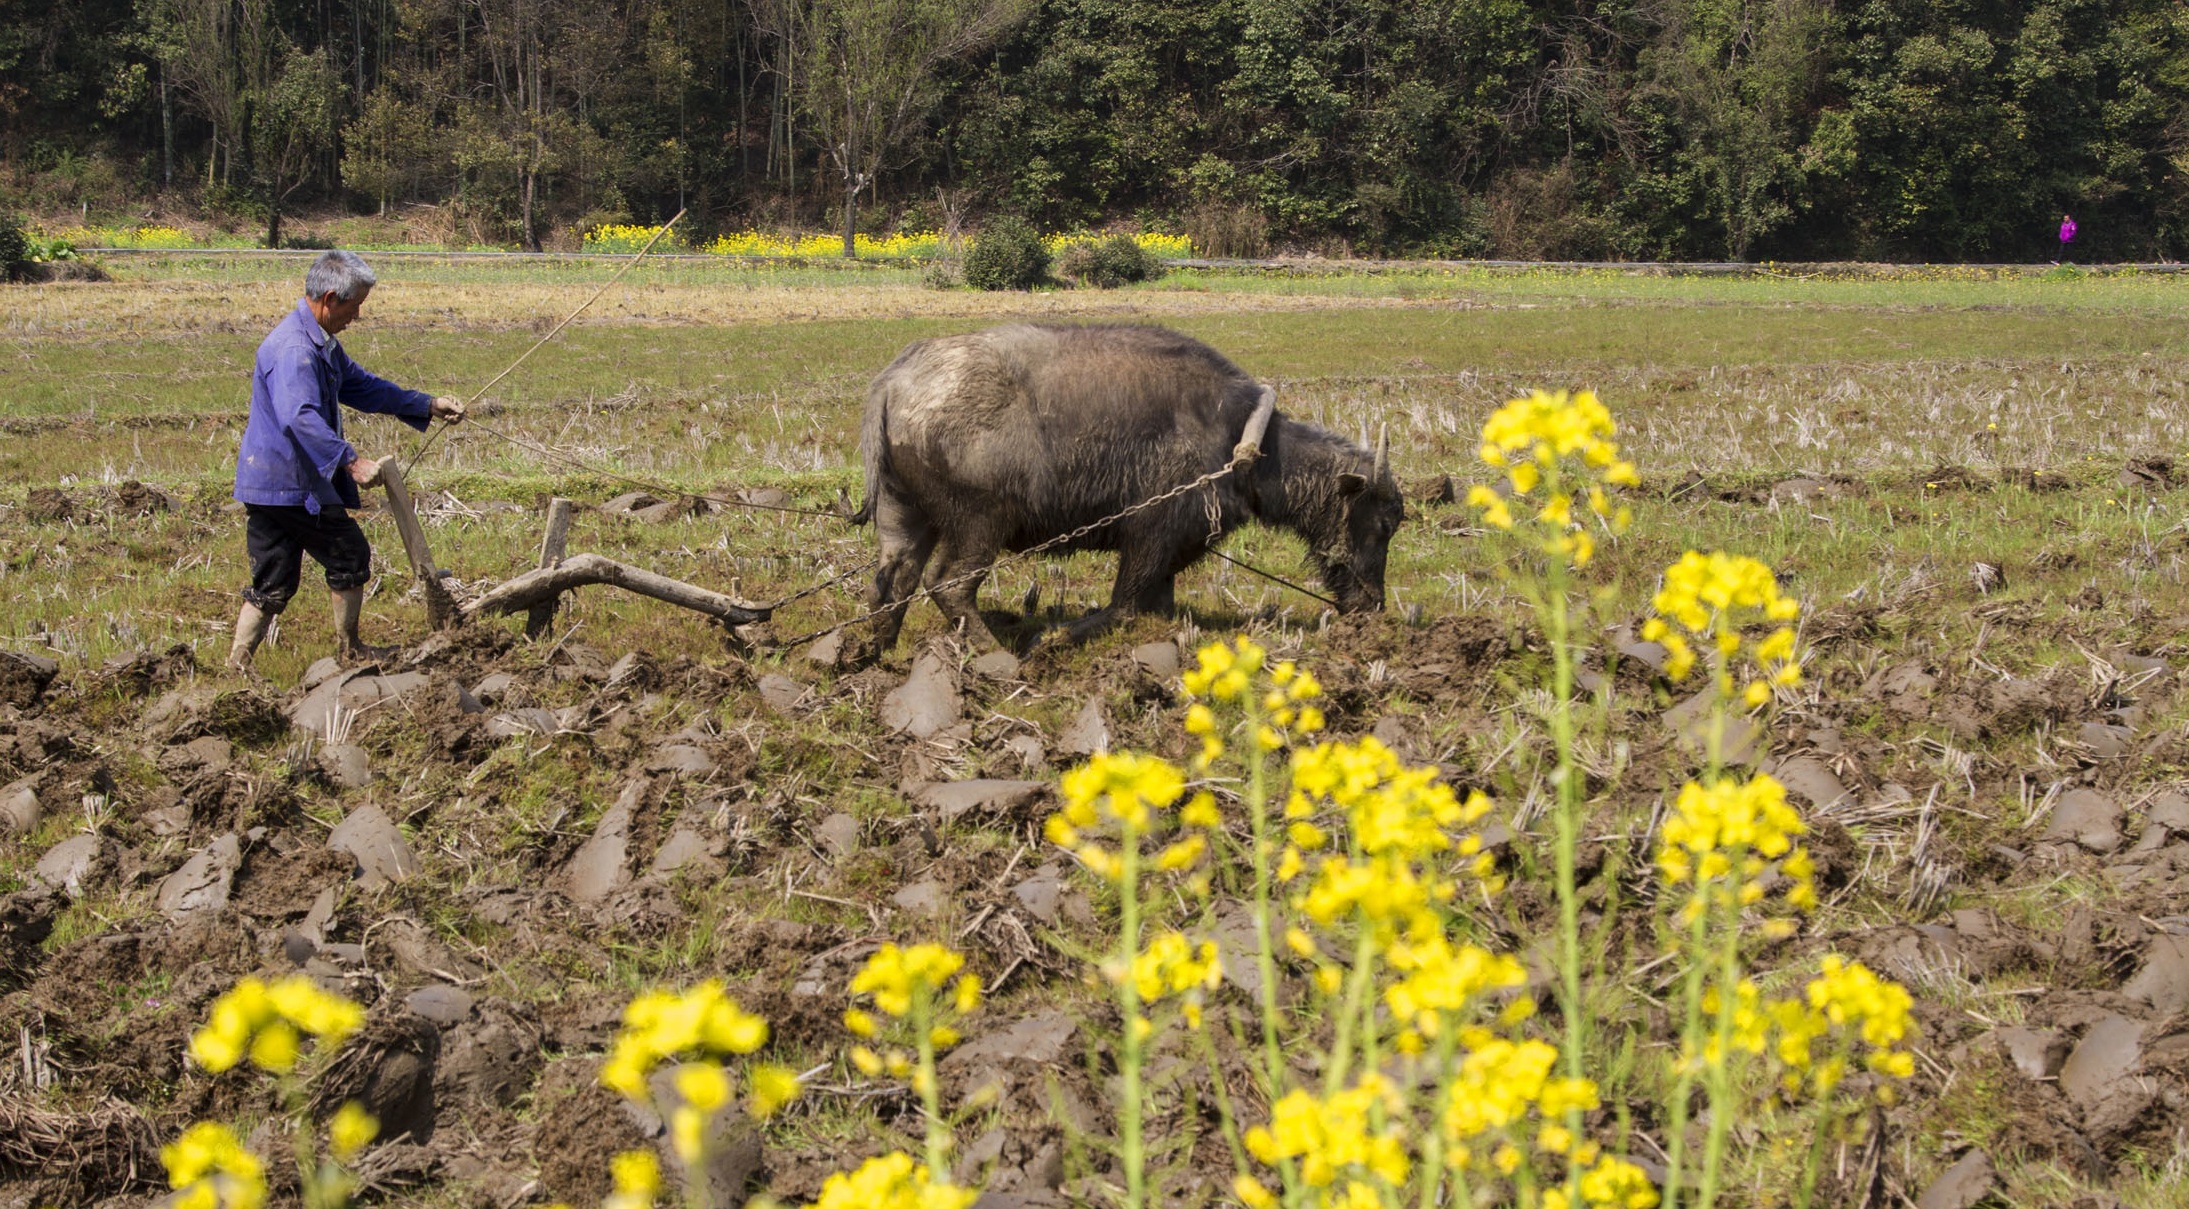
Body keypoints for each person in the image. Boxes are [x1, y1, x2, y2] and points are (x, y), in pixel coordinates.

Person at [227, 250, 465, 671]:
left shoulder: (320, 343)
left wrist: (426, 405)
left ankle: (238, 662)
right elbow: (299, 417)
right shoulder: (294, 350)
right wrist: (350, 462)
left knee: (273, 577)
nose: (356, 317)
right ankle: (350, 649)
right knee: (348, 554)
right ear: (331, 298)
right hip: (291, 484)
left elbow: (362, 387)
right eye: (355, 307)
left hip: (270, 483)